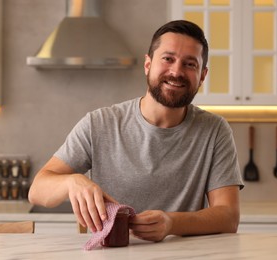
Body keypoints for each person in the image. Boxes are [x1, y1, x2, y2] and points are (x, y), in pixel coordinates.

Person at [28, 20, 244, 242]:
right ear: (148, 64)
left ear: (202, 76)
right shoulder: (99, 124)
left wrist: (171, 222)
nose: (176, 71)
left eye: (190, 64)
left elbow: (228, 217)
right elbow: (37, 190)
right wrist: (72, 181)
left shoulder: (215, 130)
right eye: (168, 59)